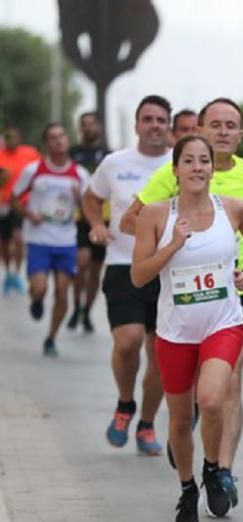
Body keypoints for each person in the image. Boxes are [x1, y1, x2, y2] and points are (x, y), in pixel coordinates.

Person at [122, 97, 243, 511]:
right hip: (176, 327)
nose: (197, 168)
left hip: (223, 320)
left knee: (212, 399)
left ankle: (214, 469)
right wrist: (172, 245)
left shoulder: (234, 207)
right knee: (178, 418)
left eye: (203, 162)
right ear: (175, 170)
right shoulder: (157, 214)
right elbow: (138, 275)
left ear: (212, 168)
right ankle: (188, 488)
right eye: (188, 161)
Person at [83, 95, 173, 455]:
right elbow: (91, 197)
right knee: (128, 342)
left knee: (160, 353)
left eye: (160, 119)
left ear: (168, 126)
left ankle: (147, 423)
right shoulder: (114, 163)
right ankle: (124, 404)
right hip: (122, 264)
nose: (154, 125)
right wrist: (96, 225)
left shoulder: (178, 164)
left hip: (167, 268)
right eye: (147, 119)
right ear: (136, 125)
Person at [12, 123, 89, 357]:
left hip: (66, 241)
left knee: (63, 293)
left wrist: (79, 200)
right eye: (53, 138)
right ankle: (36, 299)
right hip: (39, 239)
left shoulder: (80, 174)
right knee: (40, 287)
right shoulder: (33, 169)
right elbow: (15, 197)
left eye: (62, 136)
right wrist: (28, 213)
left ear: (67, 140)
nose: (58, 141)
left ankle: (51, 337)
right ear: (46, 143)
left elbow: (89, 212)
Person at [68, 112, 111, 333]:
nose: (88, 128)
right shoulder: (72, 153)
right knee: (81, 262)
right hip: (80, 218)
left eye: (92, 124)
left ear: (99, 128)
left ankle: (86, 311)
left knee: (95, 269)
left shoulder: (108, 155)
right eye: (84, 125)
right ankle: (75, 305)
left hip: (104, 219)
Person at [0, 128, 41, 294]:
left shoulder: (29, 153)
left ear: (19, 138)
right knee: (4, 242)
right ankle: (8, 272)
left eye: (14, 137)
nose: (11, 140)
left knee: (18, 238)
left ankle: (17, 273)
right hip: (3, 203)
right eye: (8, 137)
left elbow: (41, 173)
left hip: (22, 203)